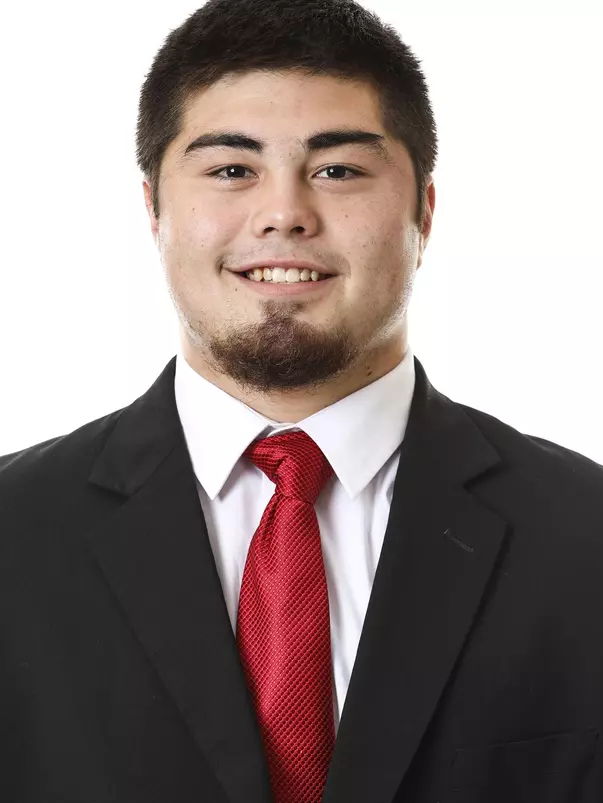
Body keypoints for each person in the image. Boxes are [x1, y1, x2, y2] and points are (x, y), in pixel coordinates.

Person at [1, 0, 602, 800]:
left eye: (337, 169)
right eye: (230, 169)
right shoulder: (15, 534)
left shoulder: (583, 538)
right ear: (153, 211)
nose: (284, 213)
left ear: (423, 211)